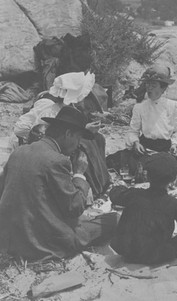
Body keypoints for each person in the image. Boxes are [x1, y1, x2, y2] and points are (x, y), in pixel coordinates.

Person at [0, 107, 117, 260]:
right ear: (68, 134)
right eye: (78, 139)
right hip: (42, 245)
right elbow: (75, 208)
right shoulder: (57, 160)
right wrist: (79, 173)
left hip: (9, 240)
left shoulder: (19, 152)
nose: (77, 145)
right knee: (114, 219)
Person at [13, 71, 110, 196]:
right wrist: (84, 130)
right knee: (87, 143)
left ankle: (99, 183)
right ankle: (84, 184)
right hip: (51, 148)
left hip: (63, 143)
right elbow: (49, 134)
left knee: (97, 138)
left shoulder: (70, 110)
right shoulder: (52, 111)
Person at [109, 153, 177, 265]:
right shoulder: (174, 204)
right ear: (174, 179)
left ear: (147, 176)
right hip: (155, 255)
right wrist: (170, 247)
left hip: (126, 252)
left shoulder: (134, 194)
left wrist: (121, 186)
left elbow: (114, 195)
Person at [126, 67, 177, 177]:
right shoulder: (139, 107)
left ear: (163, 88)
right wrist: (136, 143)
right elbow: (133, 131)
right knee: (138, 169)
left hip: (165, 149)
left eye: (153, 86)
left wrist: (175, 144)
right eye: (148, 85)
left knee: (165, 170)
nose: (149, 89)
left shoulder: (173, 106)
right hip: (145, 148)